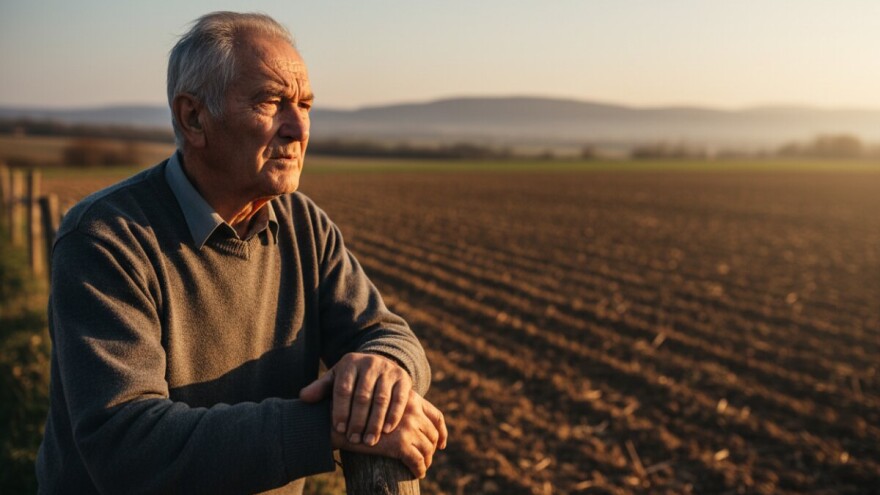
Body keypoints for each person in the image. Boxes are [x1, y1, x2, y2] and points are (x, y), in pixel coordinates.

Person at [36, 11, 446, 494]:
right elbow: (127, 446)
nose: (298, 128)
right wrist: (330, 425)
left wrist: (384, 372)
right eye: (272, 102)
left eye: (306, 105)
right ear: (194, 117)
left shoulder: (303, 224)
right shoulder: (106, 238)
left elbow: (385, 333)